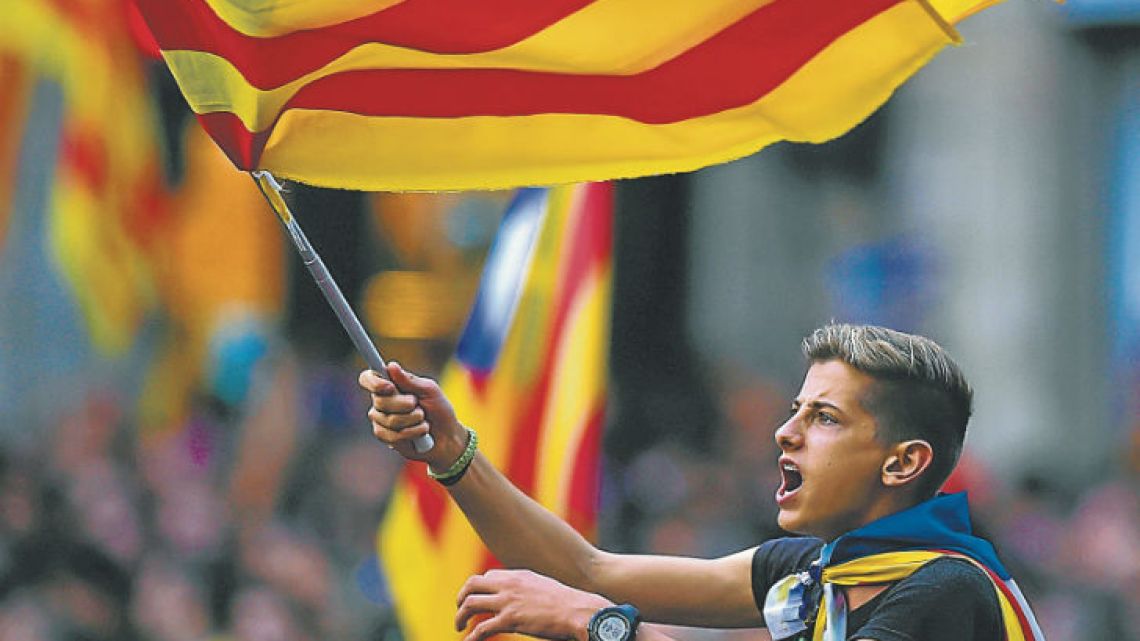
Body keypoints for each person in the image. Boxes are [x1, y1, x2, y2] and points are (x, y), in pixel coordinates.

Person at [359, 324, 1043, 641]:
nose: (786, 431)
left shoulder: (946, 589)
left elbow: (588, 595)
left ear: (902, 462)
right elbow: (587, 567)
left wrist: (593, 624)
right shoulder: (809, 572)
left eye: (825, 417)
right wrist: (452, 455)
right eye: (795, 409)